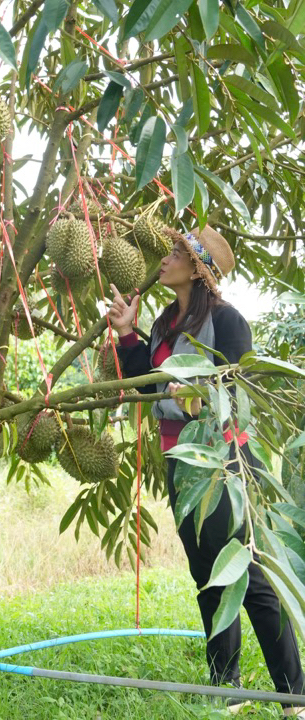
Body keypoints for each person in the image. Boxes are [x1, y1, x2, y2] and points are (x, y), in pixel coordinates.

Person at [107, 223, 304, 716]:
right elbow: (145, 387)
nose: (164, 258)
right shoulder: (161, 324)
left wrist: (199, 397)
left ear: (197, 268)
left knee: (249, 576)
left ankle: (293, 695)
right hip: (180, 463)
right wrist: (128, 333)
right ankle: (227, 684)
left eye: (175, 252)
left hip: (225, 462)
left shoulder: (228, 321)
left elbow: (241, 394)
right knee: (206, 574)